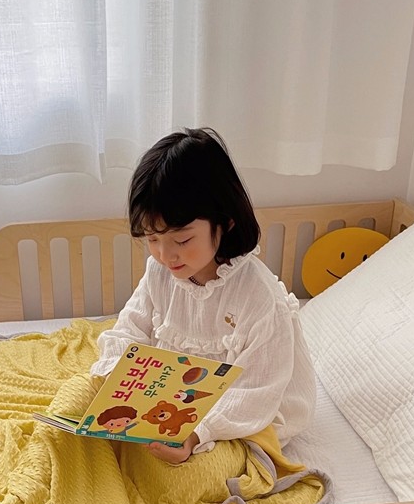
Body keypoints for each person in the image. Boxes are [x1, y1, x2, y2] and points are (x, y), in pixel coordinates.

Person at [90, 127, 316, 464]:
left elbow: (257, 391)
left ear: (225, 223)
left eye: (182, 240)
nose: (166, 255)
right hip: (175, 401)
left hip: (246, 413)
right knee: (79, 401)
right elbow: (130, 329)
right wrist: (116, 379)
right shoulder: (159, 271)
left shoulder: (259, 297)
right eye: (152, 239)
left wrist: (196, 433)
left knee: (187, 471)